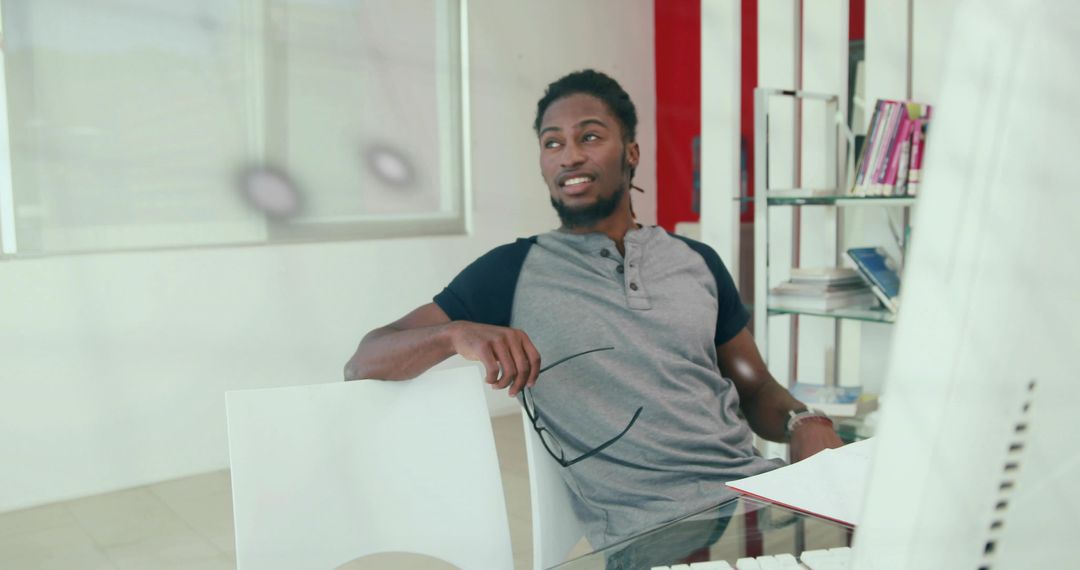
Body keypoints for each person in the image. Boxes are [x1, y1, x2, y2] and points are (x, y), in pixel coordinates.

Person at [344, 69, 842, 552]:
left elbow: (754, 386)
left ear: (631, 153)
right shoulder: (511, 272)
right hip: (657, 533)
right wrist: (454, 334)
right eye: (553, 142)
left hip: (764, 500)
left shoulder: (698, 262)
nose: (570, 156)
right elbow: (364, 360)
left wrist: (804, 420)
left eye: (590, 136)